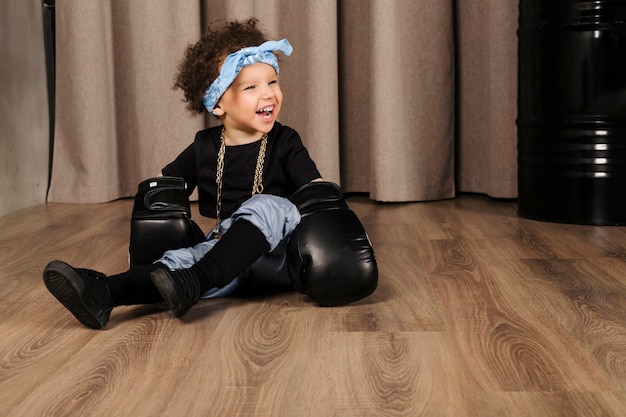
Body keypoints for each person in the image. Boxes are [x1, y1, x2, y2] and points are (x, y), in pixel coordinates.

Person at [43, 18, 377, 330]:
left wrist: (339, 227)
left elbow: (313, 189)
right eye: (251, 88)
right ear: (218, 104)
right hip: (226, 257)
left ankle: (196, 280)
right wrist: (152, 216)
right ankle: (105, 293)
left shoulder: (285, 141)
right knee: (178, 262)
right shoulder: (204, 146)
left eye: (272, 82)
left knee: (273, 205)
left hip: (278, 254)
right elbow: (162, 187)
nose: (268, 94)